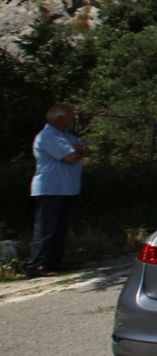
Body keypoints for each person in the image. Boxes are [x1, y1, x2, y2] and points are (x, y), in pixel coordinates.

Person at [27, 104, 89, 278]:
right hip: (51, 188)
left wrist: (78, 150)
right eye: (70, 115)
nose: (73, 118)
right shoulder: (48, 136)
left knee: (60, 228)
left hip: (67, 188)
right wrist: (78, 150)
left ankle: (54, 262)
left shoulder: (67, 136)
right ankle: (36, 264)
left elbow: (86, 150)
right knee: (45, 229)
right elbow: (70, 157)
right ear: (59, 118)